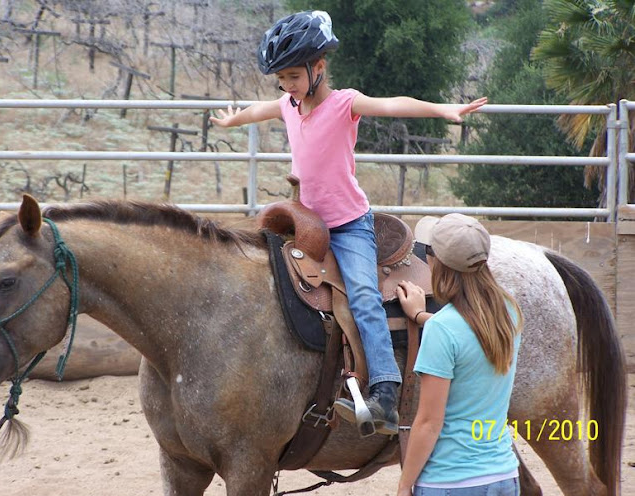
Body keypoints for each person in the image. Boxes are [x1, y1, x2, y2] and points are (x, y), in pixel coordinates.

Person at [210, 10, 487, 436]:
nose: (287, 87)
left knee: (361, 294)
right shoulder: (288, 104)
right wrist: (234, 119)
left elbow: (394, 105)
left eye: (294, 77)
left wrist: (441, 109)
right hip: (305, 219)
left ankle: (385, 390)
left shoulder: (344, 104)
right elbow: (261, 110)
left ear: (318, 68)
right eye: (281, 79)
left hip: (347, 224)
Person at [395, 213, 523, 495]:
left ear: (436, 262)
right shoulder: (508, 314)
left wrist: (405, 485)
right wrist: (420, 315)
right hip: (504, 476)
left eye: (427, 251)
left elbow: (429, 423)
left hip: (449, 481)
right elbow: (469, 333)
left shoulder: (443, 331)